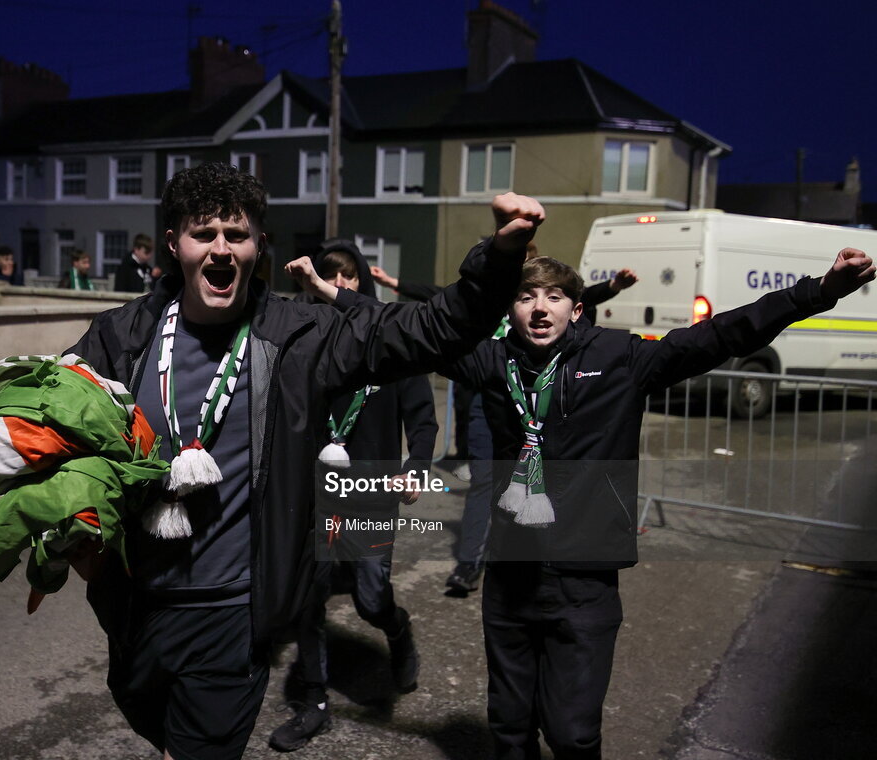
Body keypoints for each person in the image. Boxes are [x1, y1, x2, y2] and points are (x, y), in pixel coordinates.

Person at [66, 161, 545, 760]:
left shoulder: (301, 336)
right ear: (174, 244)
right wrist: (77, 541)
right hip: (137, 606)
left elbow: (428, 330)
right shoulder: (119, 337)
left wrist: (496, 261)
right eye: (203, 233)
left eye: (236, 235)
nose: (220, 249)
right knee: (149, 717)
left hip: (233, 613)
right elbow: (49, 432)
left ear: (258, 246)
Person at [319, 247, 873, 760]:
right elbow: (414, 331)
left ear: (576, 309)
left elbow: (723, 335)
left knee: (572, 732)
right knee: (509, 727)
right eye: (526, 296)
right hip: (512, 575)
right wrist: (339, 296)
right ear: (508, 309)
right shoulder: (489, 362)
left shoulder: (620, 358)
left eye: (553, 297)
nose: (539, 309)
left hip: (584, 580)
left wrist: (819, 291)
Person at [370, 262, 639, 597]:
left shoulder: (554, 309)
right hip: (494, 397)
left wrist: (612, 287)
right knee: (486, 481)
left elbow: (574, 296)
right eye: (525, 296)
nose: (537, 306)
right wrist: (389, 286)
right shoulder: (491, 301)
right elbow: (434, 299)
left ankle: (550, 565)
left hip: (540, 401)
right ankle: (470, 563)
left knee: (541, 479)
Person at [268, 240, 437, 751]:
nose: (339, 286)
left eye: (349, 278)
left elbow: (423, 420)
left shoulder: (392, 341)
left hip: (371, 488)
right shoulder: (308, 339)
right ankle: (315, 699)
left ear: (361, 282)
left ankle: (397, 628)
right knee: (309, 597)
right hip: (316, 490)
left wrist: (417, 468)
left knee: (368, 598)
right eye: (329, 277)